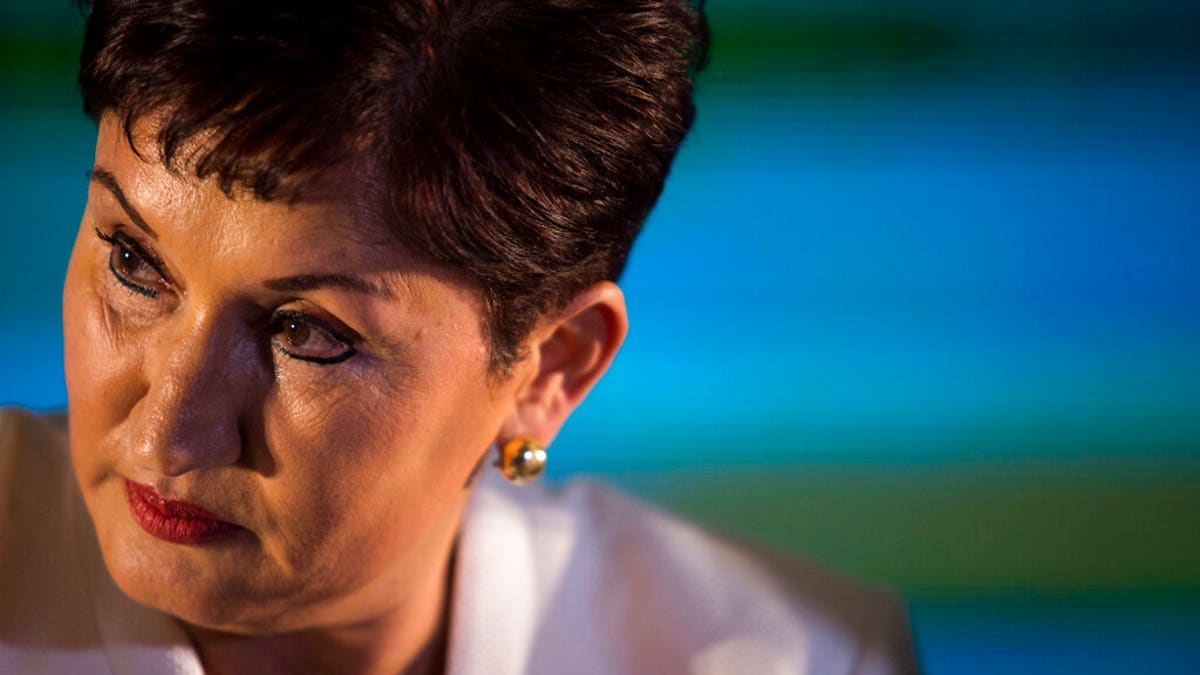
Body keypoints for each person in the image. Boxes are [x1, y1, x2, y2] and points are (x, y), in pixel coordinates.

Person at [0, 1, 919, 673]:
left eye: (304, 332)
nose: (167, 432)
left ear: (550, 369)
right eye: (134, 262)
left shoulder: (797, 657)